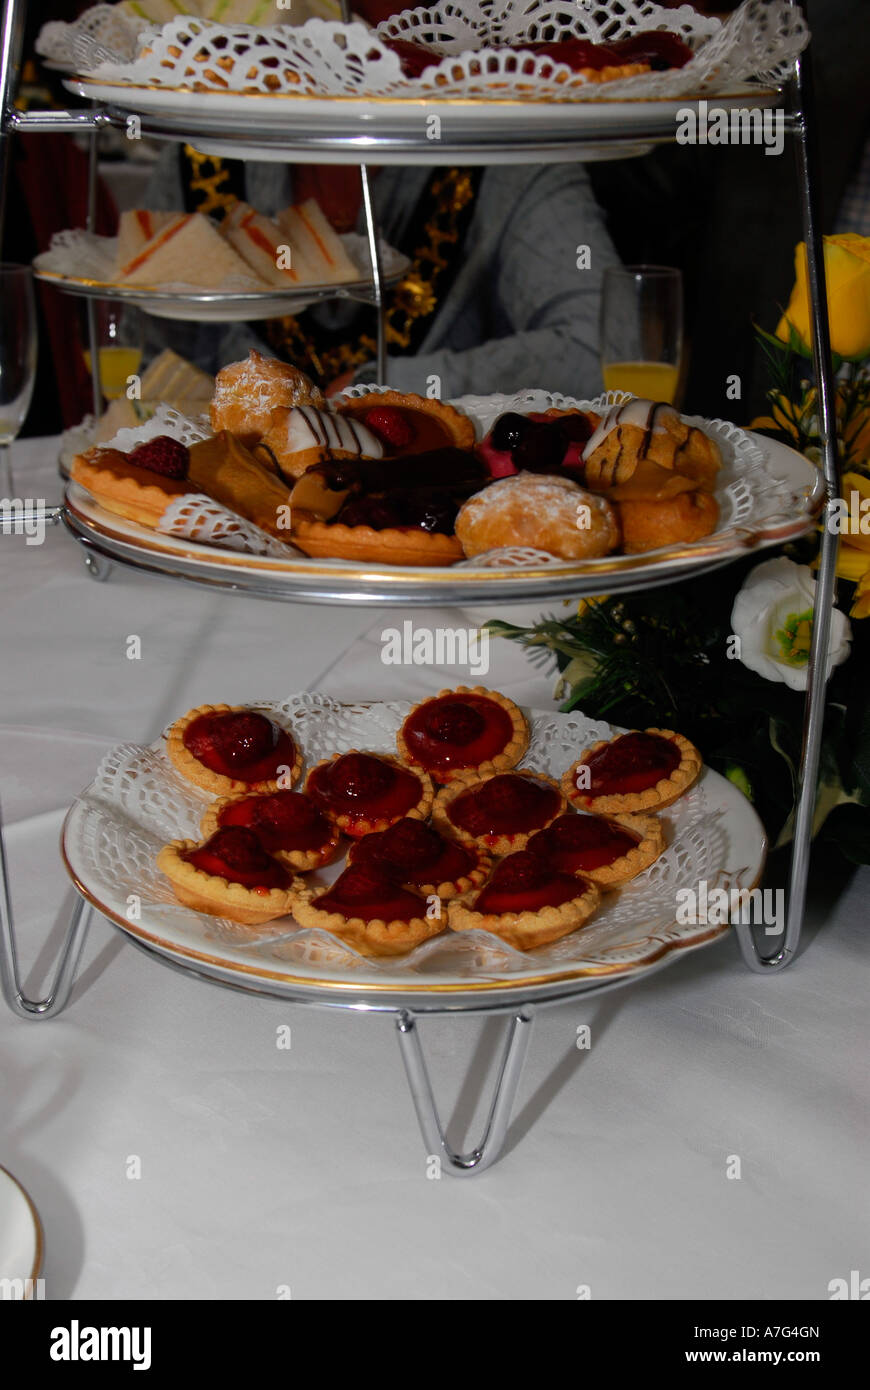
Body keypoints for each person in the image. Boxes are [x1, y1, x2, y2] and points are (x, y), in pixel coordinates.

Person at [142, 147, 620, 401]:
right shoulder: (201, 152)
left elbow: (609, 349)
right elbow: (144, 368)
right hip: (224, 539)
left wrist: (383, 386)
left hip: (448, 544)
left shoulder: (506, 152)